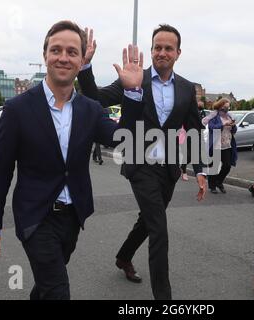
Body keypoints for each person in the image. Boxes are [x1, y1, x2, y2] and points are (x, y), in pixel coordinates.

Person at [0, 20, 144, 300]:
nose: (63, 57)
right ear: (45, 55)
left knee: (47, 285)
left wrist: (132, 93)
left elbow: (125, 140)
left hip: (72, 216)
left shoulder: (90, 109)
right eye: (56, 50)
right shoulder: (17, 109)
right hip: (35, 217)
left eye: (72, 52)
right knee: (58, 290)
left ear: (82, 60)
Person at [78, 24, 207, 300]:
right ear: (151, 51)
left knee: (148, 222)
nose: (162, 52)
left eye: (168, 48)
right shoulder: (135, 78)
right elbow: (95, 99)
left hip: (169, 170)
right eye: (157, 47)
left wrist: (201, 171)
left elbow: (195, 131)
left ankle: (124, 257)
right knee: (159, 229)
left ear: (178, 53)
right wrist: (85, 68)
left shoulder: (186, 89)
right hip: (140, 165)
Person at [202, 98, 237, 194]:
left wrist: (233, 125)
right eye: (225, 106)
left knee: (227, 166)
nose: (227, 108)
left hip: (227, 144)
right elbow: (212, 128)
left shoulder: (229, 116)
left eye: (228, 106)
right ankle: (212, 186)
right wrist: (223, 124)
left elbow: (234, 130)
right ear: (220, 105)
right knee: (214, 166)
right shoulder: (214, 115)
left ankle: (219, 181)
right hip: (216, 144)